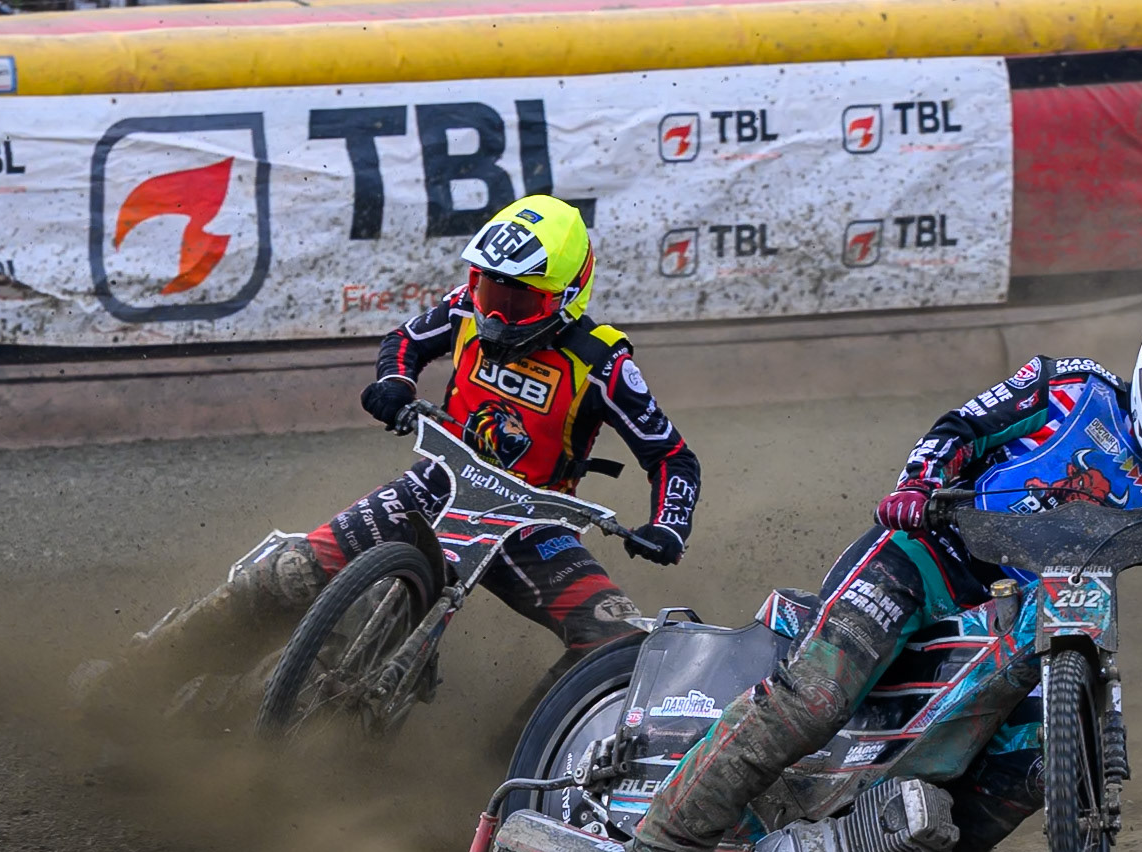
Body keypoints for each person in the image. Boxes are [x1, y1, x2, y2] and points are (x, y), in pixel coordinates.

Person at [616, 283, 1142, 852]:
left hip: (1032, 622)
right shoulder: (1067, 386)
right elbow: (960, 428)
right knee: (817, 695)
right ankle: (665, 844)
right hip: (922, 558)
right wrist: (918, 485)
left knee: (1028, 769)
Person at [85, 195, 699, 716]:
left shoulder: (602, 365)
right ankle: (138, 679)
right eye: (488, 287)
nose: (494, 313)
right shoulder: (465, 307)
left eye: (519, 302)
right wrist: (395, 384)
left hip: (530, 526)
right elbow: (404, 341)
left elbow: (673, 458)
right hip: (434, 484)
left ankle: (518, 769)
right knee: (285, 575)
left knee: (614, 639)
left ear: (567, 295)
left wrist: (667, 527)